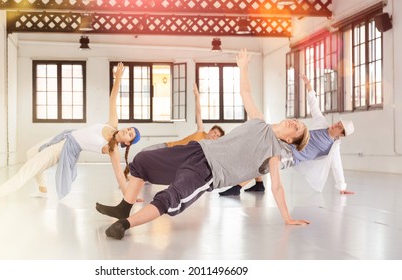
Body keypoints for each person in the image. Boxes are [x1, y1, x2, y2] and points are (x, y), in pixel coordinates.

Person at [95, 49, 311, 240]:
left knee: (171, 198)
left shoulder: (274, 151)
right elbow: (246, 93)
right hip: (197, 150)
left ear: (290, 140)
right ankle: (125, 208)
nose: (295, 123)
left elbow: (277, 186)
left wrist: (288, 218)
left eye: (298, 128)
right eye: (298, 122)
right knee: (142, 159)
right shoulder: (258, 120)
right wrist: (243, 68)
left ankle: (125, 225)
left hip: (208, 172)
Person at [0, 62, 141, 203]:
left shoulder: (112, 150)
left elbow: (119, 174)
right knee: (31, 153)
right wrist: (118, 78)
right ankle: (43, 189)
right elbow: (113, 98)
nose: (128, 130)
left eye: (130, 134)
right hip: (63, 136)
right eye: (130, 129)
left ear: (127, 143)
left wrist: (129, 196)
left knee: (28, 168)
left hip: (64, 149)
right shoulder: (112, 125)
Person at [219, 74, 355, 196]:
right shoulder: (323, 124)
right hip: (287, 142)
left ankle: (237, 187)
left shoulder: (333, 147)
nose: (336, 125)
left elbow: (337, 166)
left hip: (291, 156)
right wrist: (309, 86)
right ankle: (259, 185)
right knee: (259, 148)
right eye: (338, 122)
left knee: (265, 163)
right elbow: (314, 106)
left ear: (341, 134)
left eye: (339, 127)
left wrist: (341, 186)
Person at [142, 83, 225, 152]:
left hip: (175, 157)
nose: (215, 136)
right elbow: (198, 113)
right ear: (210, 131)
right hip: (169, 147)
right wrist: (197, 96)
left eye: (217, 136)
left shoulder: (206, 147)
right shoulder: (201, 131)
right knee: (144, 151)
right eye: (215, 133)